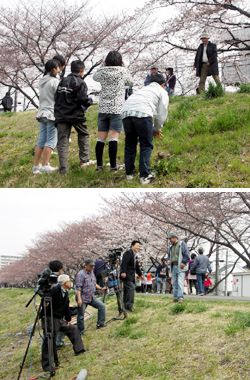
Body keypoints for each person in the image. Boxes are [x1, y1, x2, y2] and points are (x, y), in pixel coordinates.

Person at [122, 72, 169, 185]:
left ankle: (129, 174)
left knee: (130, 144)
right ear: (163, 85)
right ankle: (144, 176)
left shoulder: (143, 90)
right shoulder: (161, 91)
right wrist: (156, 129)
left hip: (126, 113)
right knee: (146, 144)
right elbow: (161, 114)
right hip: (143, 113)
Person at [93, 51, 133, 171]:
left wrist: (103, 65)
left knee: (101, 138)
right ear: (120, 61)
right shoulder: (123, 71)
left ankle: (99, 165)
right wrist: (124, 66)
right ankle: (113, 166)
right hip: (117, 108)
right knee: (113, 138)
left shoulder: (102, 71)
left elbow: (94, 76)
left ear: (106, 61)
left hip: (103, 108)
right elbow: (131, 82)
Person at [54, 60, 94, 174]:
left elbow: (56, 97)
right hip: (76, 115)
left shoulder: (62, 81)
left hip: (61, 115)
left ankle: (63, 169)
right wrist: (89, 102)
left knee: (62, 141)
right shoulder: (80, 82)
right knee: (84, 134)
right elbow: (82, 99)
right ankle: (85, 160)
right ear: (82, 70)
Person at [41, 274, 87, 373]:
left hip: (59, 319)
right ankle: (47, 365)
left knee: (73, 329)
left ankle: (79, 349)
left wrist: (68, 318)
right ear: (66, 283)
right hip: (50, 318)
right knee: (49, 340)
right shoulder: (54, 290)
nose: (70, 282)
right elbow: (44, 303)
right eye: (69, 281)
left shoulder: (65, 292)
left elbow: (66, 306)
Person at [32, 59, 60, 175]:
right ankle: (45, 165)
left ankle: (36, 166)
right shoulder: (54, 82)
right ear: (54, 69)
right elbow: (58, 97)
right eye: (58, 69)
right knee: (51, 140)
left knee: (41, 140)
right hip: (51, 113)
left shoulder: (41, 82)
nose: (58, 71)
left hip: (41, 113)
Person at [75, 258, 107, 335]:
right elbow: (78, 287)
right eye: (91, 266)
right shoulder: (81, 274)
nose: (93, 267)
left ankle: (100, 323)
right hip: (83, 297)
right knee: (81, 315)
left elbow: (94, 283)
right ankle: (80, 331)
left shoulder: (92, 273)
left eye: (93, 266)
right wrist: (79, 299)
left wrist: (100, 288)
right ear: (85, 265)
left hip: (91, 296)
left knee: (102, 306)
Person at [120, 240, 144, 312]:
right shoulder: (128, 253)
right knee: (131, 288)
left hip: (130, 275)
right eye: (137, 246)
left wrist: (140, 274)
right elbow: (124, 263)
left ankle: (125, 305)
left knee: (127, 290)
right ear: (132, 246)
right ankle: (129, 305)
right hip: (126, 275)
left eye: (139, 246)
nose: (138, 247)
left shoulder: (134, 255)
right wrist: (123, 272)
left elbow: (136, 266)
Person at [167, 232, 190, 303]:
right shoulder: (171, 247)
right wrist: (168, 260)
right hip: (173, 266)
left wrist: (183, 262)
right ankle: (175, 298)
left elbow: (187, 255)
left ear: (175, 237)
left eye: (170, 238)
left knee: (180, 282)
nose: (169, 240)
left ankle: (180, 298)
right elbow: (169, 256)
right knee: (174, 283)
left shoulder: (182, 244)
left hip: (180, 266)